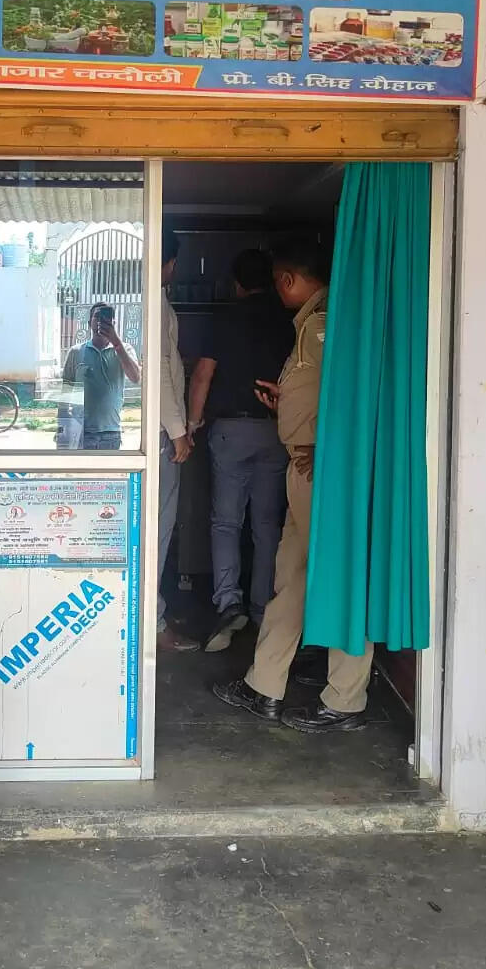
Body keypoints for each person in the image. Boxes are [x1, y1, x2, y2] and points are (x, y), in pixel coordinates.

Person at [213, 235, 376, 733]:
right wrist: (287, 406)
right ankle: (265, 684)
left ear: (287, 279)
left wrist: (326, 452)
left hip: (325, 472)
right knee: (292, 575)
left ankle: (345, 698)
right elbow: (322, 393)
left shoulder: (324, 323)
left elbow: (353, 398)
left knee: (337, 575)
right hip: (306, 468)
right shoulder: (310, 323)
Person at [187, 249, 293, 652]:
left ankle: (229, 603)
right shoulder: (288, 320)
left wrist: (192, 424)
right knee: (267, 525)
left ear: (237, 283)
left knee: (226, 522)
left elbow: (203, 375)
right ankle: (264, 608)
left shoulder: (225, 317)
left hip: (231, 430)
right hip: (275, 429)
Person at [156, 228, 198, 652]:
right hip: (160, 435)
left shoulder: (151, 301)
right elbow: (161, 374)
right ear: (169, 263)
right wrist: (179, 432)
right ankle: (153, 623)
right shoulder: (157, 304)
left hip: (154, 430)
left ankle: (154, 613)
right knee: (158, 528)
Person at [61, 302, 141, 450]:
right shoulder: (76, 352)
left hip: (111, 432)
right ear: (89, 322)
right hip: (81, 432)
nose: (100, 320)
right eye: (97, 316)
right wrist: (62, 428)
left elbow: (135, 377)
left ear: (113, 322)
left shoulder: (125, 349)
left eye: (106, 317)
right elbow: (65, 393)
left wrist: (117, 343)